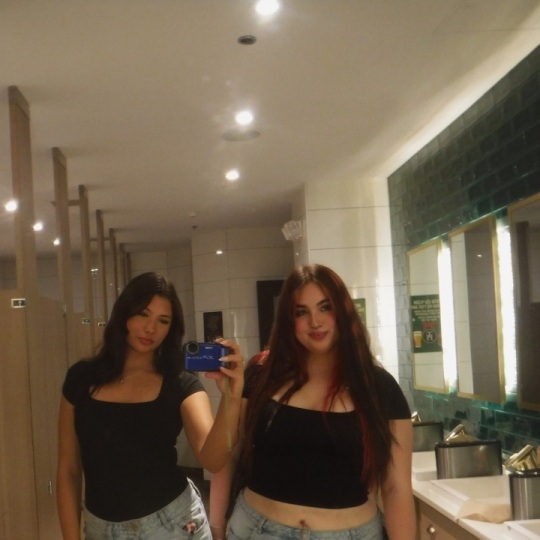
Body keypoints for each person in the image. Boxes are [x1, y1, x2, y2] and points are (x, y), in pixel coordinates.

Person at [210, 264, 415, 540]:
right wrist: (216, 527)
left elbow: (396, 488)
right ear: (288, 320)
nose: (315, 322)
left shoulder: (379, 388)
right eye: (301, 312)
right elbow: (229, 455)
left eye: (325, 307)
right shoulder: (261, 374)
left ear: (342, 311)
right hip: (256, 530)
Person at [56, 271, 244, 540]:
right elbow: (68, 469)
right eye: (143, 314)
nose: (150, 329)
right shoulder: (81, 378)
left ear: (171, 329)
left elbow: (212, 460)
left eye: (163, 321)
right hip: (101, 529)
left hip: (172, 525)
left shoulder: (180, 383)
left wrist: (231, 397)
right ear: (124, 313)